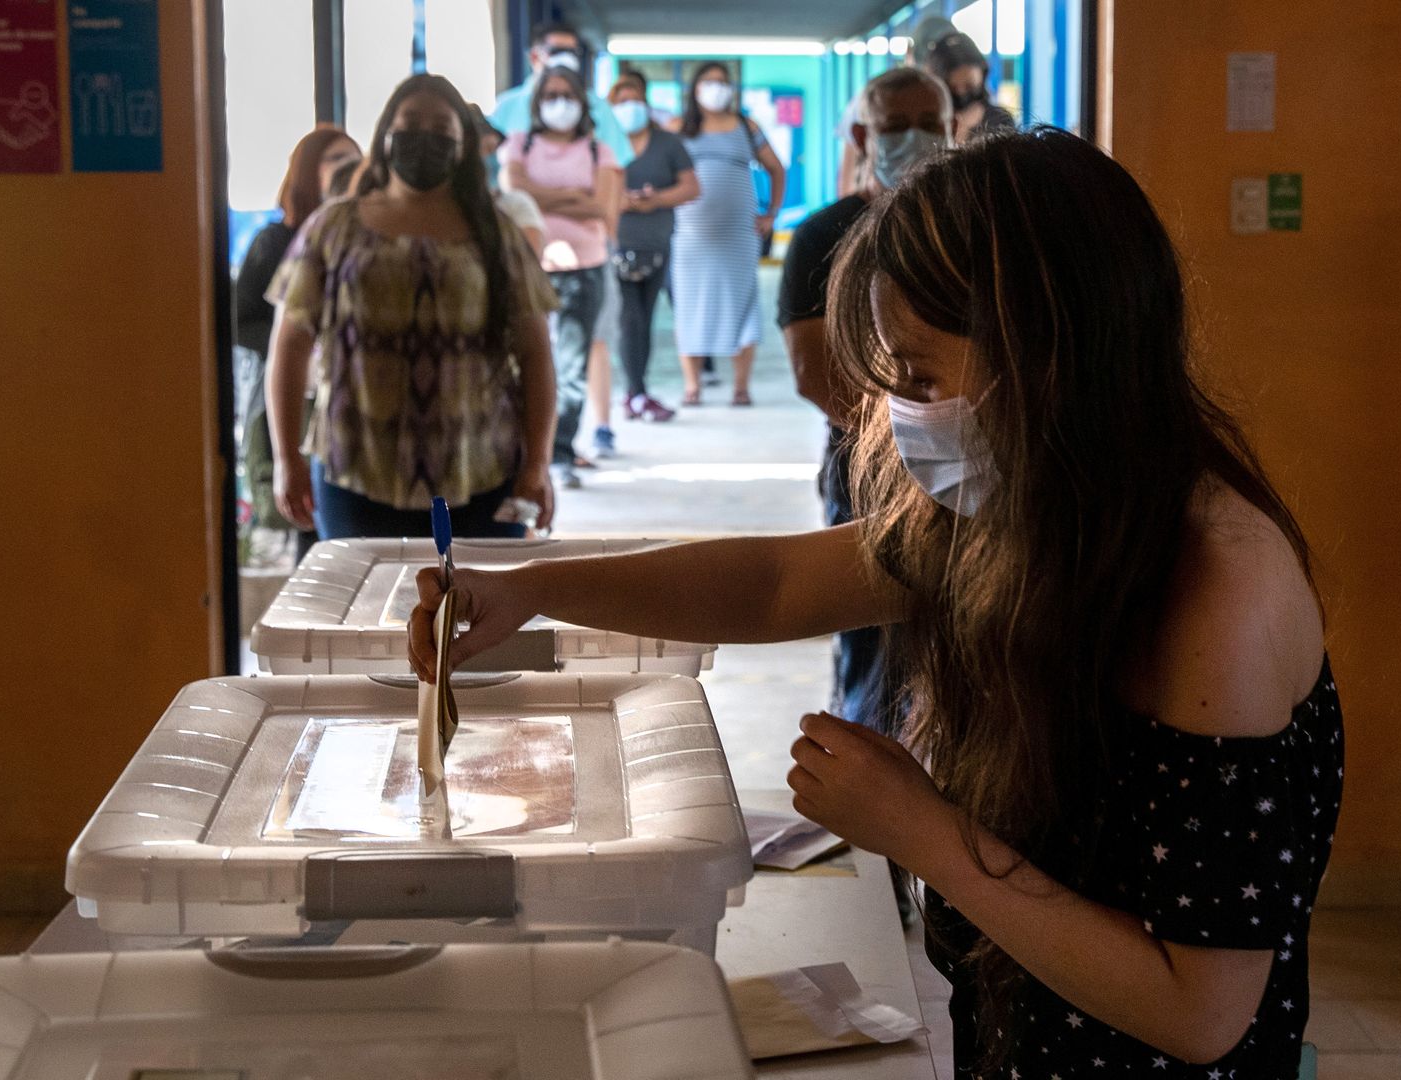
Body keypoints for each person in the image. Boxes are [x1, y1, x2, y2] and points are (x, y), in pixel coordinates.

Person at [409, 130, 1341, 1079]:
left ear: (1049, 352)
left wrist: (922, 830)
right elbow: (775, 584)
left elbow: (1201, 1010)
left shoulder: (1221, 596)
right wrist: (527, 592)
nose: (906, 413)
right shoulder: (1036, 504)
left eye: (925, 377)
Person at [265, 75, 559, 541]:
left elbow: (536, 353)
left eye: (441, 127)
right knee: (363, 611)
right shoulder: (334, 226)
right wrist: (286, 458)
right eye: (410, 123)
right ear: (385, 136)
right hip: (354, 467)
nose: (424, 135)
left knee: (476, 611)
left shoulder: (496, 233)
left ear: (463, 144)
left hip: (479, 470)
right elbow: (290, 344)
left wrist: (538, 464)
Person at [779, 67, 951, 733]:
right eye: (895, 126)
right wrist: (915, 444)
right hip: (870, 471)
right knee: (872, 638)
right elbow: (812, 371)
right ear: (861, 134)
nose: (917, 139)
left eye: (930, 123)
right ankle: (870, 765)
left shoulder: (969, 230)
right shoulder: (826, 237)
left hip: (971, 470)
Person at [234, 126, 361, 553]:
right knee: (309, 528)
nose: (350, 168)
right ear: (309, 173)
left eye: (355, 158)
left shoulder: (364, 240)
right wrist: (296, 341)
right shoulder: (276, 241)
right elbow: (238, 317)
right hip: (296, 397)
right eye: (336, 159)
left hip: (347, 405)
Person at [499, 65, 622, 491]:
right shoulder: (519, 144)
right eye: (550, 94)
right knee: (520, 360)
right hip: (527, 266)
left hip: (584, 269)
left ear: (582, 102)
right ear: (536, 102)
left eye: (567, 94)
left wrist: (541, 197)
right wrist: (573, 196)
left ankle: (560, 452)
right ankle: (520, 448)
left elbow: (600, 211)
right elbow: (513, 194)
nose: (559, 102)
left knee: (570, 367)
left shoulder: (598, 151)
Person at [673, 62, 786, 407]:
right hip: (690, 235)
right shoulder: (679, 128)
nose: (716, 88)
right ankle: (692, 386)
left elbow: (776, 168)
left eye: (722, 82)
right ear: (695, 88)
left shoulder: (746, 127)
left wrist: (771, 214)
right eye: (709, 82)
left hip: (739, 235)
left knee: (743, 304)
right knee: (690, 306)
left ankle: (741, 386)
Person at [609, 69, 699, 424]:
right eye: (621, 101)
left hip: (656, 244)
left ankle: (636, 392)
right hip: (615, 244)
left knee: (644, 320)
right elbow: (591, 187)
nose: (629, 107)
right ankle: (636, 392)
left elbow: (692, 187)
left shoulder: (667, 144)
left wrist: (655, 199)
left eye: (635, 100)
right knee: (628, 319)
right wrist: (619, 200)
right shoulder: (601, 142)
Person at [835, 15, 955, 198]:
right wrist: (852, 215)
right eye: (895, 127)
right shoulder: (873, 99)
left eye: (929, 124)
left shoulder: (947, 99)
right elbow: (848, 172)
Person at [490, 20, 633, 168]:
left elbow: (615, 165)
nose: (567, 59)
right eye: (557, 51)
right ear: (534, 57)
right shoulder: (506, 107)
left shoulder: (598, 108)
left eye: (573, 53)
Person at [470, 105, 544, 257]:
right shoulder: (439, 207)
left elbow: (529, 260)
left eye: (493, 150)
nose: (490, 158)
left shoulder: (515, 205)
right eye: (483, 149)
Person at [926, 31, 1017, 143]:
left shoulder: (1000, 120)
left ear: (983, 75)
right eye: (952, 88)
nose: (961, 93)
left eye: (969, 86)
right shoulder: (925, 122)